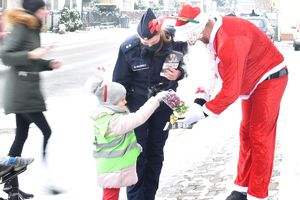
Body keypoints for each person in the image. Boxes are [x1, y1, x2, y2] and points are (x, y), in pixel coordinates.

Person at [173, 4, 288, 200]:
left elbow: (231, 90)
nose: (193, 42)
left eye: (193, 37)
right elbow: (210, 69)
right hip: (251, 81)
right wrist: (200, 100)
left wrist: (203, 113)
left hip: (270, 77)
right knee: (246, 133)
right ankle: (242, 188)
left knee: (260, 136)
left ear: (201, 28)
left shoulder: (231, 41)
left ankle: (258, 194)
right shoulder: (211, 36)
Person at [112, 8, 188, 200]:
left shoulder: (174, 44)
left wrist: (179, 74)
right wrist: (120, 110)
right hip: (137, 110)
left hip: (162, 108)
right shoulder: (129, 49)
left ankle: (150, 196)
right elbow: (119, 83)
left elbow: (184, 69)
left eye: (153, 42)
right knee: (137, 156)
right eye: (145, 42)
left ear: (160, 34)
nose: (149, 45)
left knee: (155, 154)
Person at [0, 0, 62, 199]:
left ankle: (12, 187)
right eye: (44, 8)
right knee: (46, 131)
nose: (47, 11)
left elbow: (31, 61)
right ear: (35, 10)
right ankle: (47, 181)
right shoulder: (23, 27)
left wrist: (49, 63)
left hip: (26, 91)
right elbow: (6, 56)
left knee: (21, 137)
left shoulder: (33, 28)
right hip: (21, 93)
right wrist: (31, 54)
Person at [85, 71, 170, 200]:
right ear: (111, 102)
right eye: (121, 100)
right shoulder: (113, 121)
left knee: (111, 194)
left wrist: (135, 148)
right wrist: (156, 99)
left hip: (110, 164)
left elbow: (119, 140)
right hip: (113, 167)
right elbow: (138, 118)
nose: (125, 102)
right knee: (110, 196)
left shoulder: (106, 116)